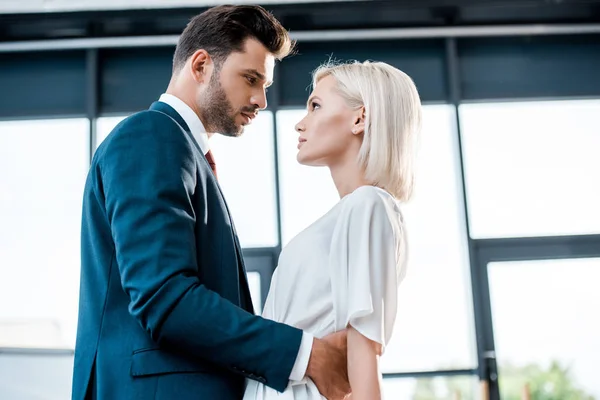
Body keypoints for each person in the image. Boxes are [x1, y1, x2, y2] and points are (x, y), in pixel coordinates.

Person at [71, 5, 349, 400]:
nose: (260, 100)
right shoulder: (151, 136)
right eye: (251, 79)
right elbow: (164, 298)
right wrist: (308, 355)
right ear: (201, 65)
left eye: (265, 86)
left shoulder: (182, 151)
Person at [243, 60, 422, 400]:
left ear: (360, 118)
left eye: (315, 106)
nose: (300, 123)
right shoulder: (355, 212)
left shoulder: (368, 205)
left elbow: (363, 347)